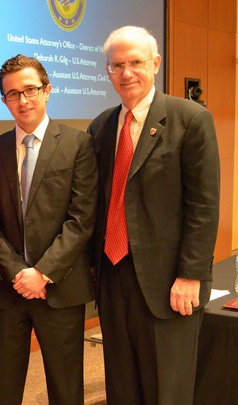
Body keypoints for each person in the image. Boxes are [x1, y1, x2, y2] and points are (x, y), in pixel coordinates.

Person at [88, 26, 220, 404]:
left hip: (169, 281)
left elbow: (204, 205)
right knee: (122, 382)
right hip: (113, 276)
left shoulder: (191, 119)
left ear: (156, 64)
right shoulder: (100, 127)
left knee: (167, 388)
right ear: (108, 71)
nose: (126, 73)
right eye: (116, 65)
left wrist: (191, 275)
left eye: (135, 62)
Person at [0, 54, 98, 404]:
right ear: (4, 101)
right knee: (4, 387)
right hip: (7, 288)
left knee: (65, 388)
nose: (23, 100)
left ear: (47, 90)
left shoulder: (79, 145)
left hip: (61, 288)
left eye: (30, 90)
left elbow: (81, 218)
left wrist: (42, 273)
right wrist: (18, 272)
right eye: (12, 94)